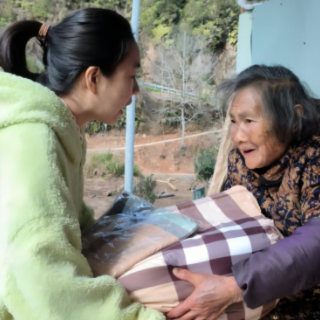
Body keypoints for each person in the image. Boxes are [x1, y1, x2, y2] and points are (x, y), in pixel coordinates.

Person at [0, 8, 165, 320]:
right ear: (93, 78)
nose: (136, 89)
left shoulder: (59, 131)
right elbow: (45, 281)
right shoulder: (34, 140)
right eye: (131, 76)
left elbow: (68, 221)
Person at [166, 65, 320, 320]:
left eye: (249, 121)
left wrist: (234, 287)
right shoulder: (239, 162)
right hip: (258, 306)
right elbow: (223, 224)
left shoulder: (314, 158)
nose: (237, 136)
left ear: (293, 121)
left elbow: (316, 243)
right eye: (234, 122)